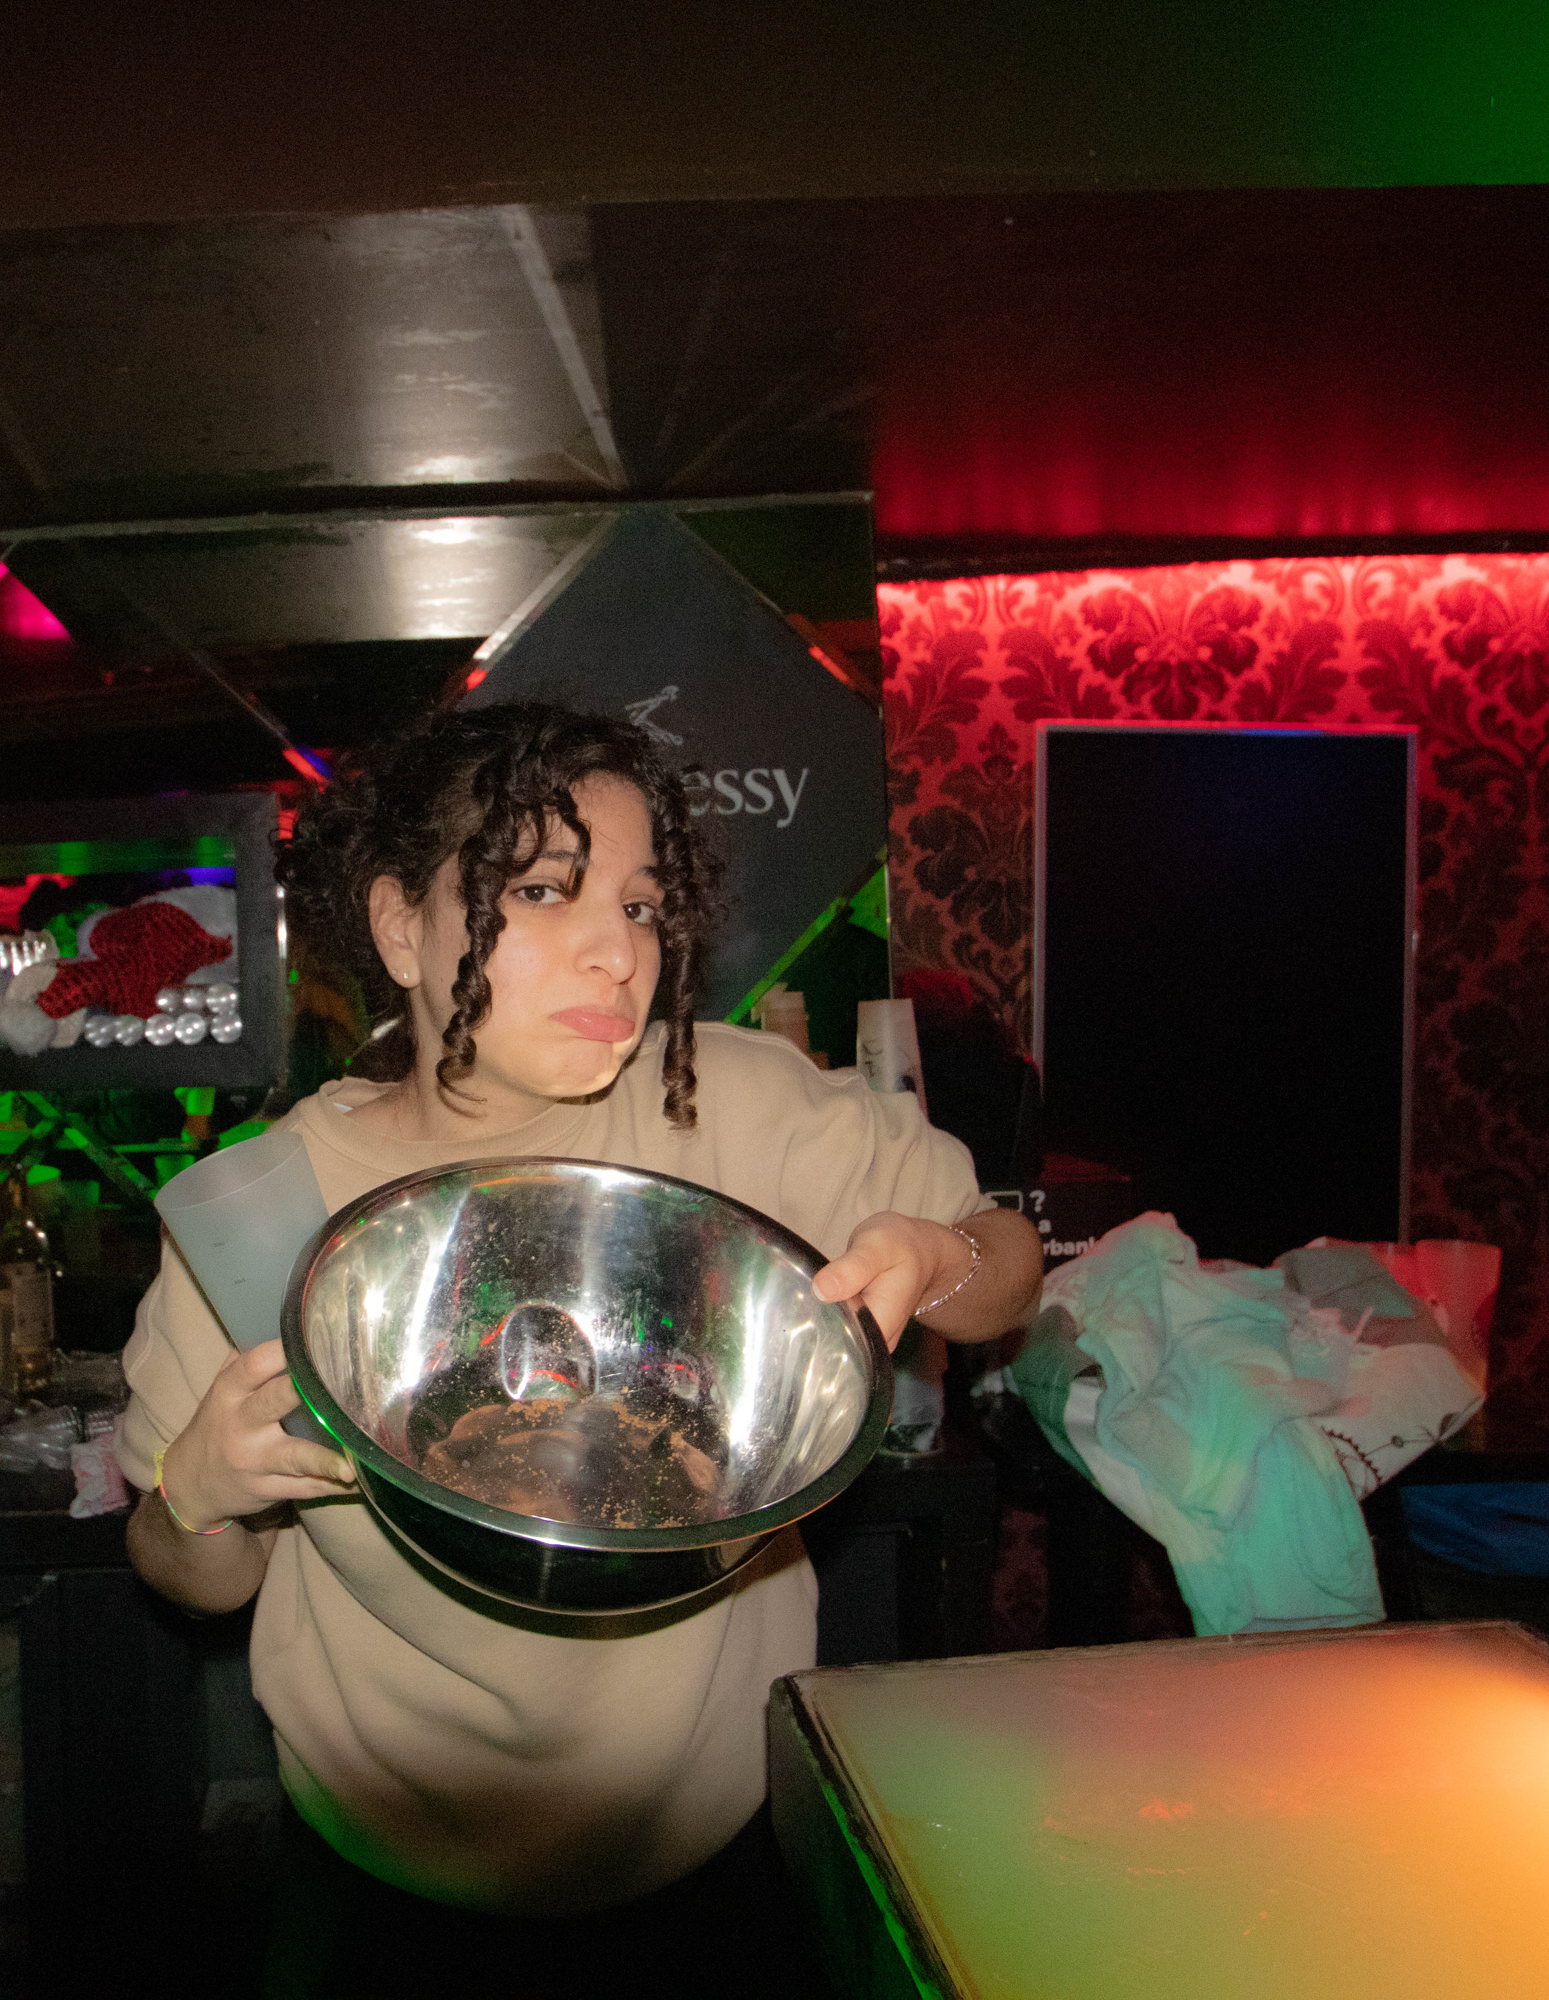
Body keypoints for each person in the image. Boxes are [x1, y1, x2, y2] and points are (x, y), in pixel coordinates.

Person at [115, 704, 1043, 1947]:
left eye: (643, 904)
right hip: (378, 1897)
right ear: (403, 925)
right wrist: (199, 1496)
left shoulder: (733, 1102)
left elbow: (1007, 1266)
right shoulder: (267, 1210)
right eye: (545, 889)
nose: (618, 951)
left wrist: (933, 1258)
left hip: (718, 1873)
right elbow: (188, 1572)